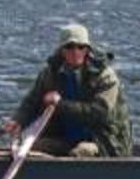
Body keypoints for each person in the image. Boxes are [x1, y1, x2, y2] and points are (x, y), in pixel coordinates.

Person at [11, 21, 132, 159]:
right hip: (66, 138)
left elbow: (99, 114)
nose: (75, 52)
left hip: (104, 142)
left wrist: (60, 103)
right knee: (31, 149)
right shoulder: (51, 73)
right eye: (69, 47)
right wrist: (18, 121)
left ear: (87, 50)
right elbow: (32, 100)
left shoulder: (105, 76)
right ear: (62, 50)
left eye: (81, 47)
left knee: (81, 152)